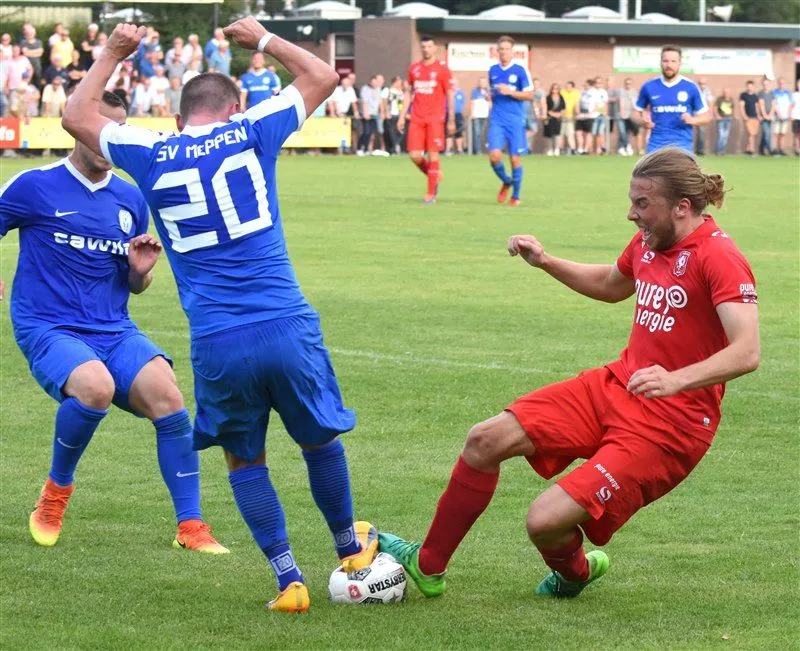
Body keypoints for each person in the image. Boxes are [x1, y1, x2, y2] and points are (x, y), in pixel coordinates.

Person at [63, 18, 377, 614]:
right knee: (317, 442)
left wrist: (113, 52)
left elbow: (77, 117)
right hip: (284, 321)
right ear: (235, 107)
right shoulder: (250, 129)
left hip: (217, 337)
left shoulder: (153, 150)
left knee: (244, 457)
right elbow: (320, 75)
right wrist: (260, 40)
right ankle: (348, 550)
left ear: (180, 119)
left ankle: (289, 580)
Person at [379, 147, 760, 601]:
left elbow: (747, 351)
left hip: (670, 426)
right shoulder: (649, 241)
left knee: (544, 521)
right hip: (618, 386)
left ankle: (575, 572)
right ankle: (427, 566)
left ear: (681, 207)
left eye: (642, 204)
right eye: (632, 201)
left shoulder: (719, 257)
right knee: (486, 439)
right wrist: (546, 261)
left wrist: (675, 380)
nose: (631, 215)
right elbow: (610, 285)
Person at [0, 90, 228, 554]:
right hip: (48, 326)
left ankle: (191, 526)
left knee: (168, 396)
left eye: (117, 132)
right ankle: (54, 495)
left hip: (112, 328)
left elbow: (131, 285)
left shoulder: (128, 198)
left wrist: (138, 272)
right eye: (102, 130)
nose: (109, 141)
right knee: (95, 387)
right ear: (78, 127)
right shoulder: (35, 185)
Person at [398, 34, 455, 204]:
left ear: (434, 48)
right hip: (416, 117)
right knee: (414, 155)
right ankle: (434, 174)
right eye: (423, 47)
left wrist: (451, 118)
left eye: (429, 46)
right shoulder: (414, 68)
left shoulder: (442, 69)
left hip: (435, 119)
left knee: (433, 155)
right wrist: (402, 116)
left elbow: (450, 94)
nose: (426, 49)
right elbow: (408, 92)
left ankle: (430, 194)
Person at [634, 45, 710, 153]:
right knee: (652, 170)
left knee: (681, 170)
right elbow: (635, 113)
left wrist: (692, 120)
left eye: (673, 61)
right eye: (665, 61)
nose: (669, 65)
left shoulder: (690, 87)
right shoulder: (649, 86)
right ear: (660, 62)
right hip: (655, 145)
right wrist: (642, 121)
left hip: (683, 146)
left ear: (680, 63)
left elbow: (706, 116)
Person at [487, 35, 532, 207]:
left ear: (512, 51)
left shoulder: (520, 71)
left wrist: (510, 92)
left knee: (514, 159)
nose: (504, 52)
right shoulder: (493, 70)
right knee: (494, 156)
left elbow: (529, 95)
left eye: (507, 49)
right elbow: (493, 91)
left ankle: (516, 196)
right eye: (501, 49)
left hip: (515, 120)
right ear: (497, 51)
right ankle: (506, 180)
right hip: (497, 119)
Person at [382, 75, 404, 155]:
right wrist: (385, 112)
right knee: (391, 132)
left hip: (398, 114)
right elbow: (384, 102)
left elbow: (402, 103)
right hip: (390, 114)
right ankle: (393, 148)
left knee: (401, 132)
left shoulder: (400, 92)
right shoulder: (387, 90)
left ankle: (396, 145)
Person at [575, 78, 598, 155]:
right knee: (578, 132)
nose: (584, 85)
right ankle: (580, 148)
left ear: (589, 85)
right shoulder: (582, 92)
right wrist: (578, 113)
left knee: (588, 133)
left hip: (589, 116)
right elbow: (577, 102)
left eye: (586, 84)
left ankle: (585, 149)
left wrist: (591, 112)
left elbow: (597, 105)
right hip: (581, 115)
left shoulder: (594, 92)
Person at [617, 77, 638, 156]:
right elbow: (621, 103)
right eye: (626, 83)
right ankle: (627, 146)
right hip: (622, 116)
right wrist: (622, 113)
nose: (628, 85)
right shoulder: (621, 91)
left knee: (627, 132)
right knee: (622, 131)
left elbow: (634, 103)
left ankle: (621, 148)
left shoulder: (633, 92)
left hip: (630, 116)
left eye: (629, 83)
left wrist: (634, 113)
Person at [469, 77, 491, 155]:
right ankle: (478, 150)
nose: (482, 83)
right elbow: (472, 103)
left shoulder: (489, 91)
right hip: (477, 115)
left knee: (486, 133)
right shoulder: (474, 91)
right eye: (481, 82)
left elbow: (491, 103)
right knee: (477, 133)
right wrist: (472, 113)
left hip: (486, 115)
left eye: (483, 82)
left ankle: (488, 150)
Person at [738, 80, 759, 156]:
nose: (749, 87)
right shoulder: (743, 95)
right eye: (748, 86)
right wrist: (744, 116)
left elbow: (757, 107)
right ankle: (752, 150)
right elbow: (741, 106)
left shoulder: (755, 96)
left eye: (751, 86)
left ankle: (748, 150)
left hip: (755, 117)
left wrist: (758, 116)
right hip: (748, 117)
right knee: (750, 133)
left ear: (753, 87)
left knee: (753, 134)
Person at [772, 78, 791, 156]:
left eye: (783, 83)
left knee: (783, 134)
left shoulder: (788, 93)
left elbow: (790, 105)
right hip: (777, 116)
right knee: (776, 133)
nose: (781, 84)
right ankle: (775, 149)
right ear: (777, 83)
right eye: (780, 83)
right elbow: (773, 104)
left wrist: (788, 114)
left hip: (785, 116)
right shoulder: (774, 92)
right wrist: (778, 113)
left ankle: (781, 149)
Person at [544, 83, 565, 156]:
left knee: (557, 134)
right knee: (550, 134)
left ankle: (557, 149)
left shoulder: (561, 97)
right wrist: (552, 114)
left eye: (556, 88)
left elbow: (563, 108)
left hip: (558, 118)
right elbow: (546, 108)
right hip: (550, 118)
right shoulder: (548, 97)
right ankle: (550, 149)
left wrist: (560, 114)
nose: (555, 90)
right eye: (553, 88)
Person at [446, 79, 465, 155]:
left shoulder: (461, 93)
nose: (454, 86)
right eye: (452, 84)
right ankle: (448, 149)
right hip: (449, 114)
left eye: (455, 84)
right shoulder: (447, 93)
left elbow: (462, 103)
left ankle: (459, 150)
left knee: (459, 132)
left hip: (458, 114)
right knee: (448, 132)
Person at [694, 79, 714, 155]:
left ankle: (700, 150)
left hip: (702, 115)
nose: (702, 85)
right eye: (700, 83)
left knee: (701, 133)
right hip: (693, 115)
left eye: (703, 84)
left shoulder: (707, 92)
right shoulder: (694, 90)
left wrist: (710, 114)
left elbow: (711, 103)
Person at [560, 80, 580, 155]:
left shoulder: (576, 93)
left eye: (569, 87)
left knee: (570, 134)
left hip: (570, 117)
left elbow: (576, 104)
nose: (567, 88)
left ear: (573, 87)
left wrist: (577, 113)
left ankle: (573, 149)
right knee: (561, 134)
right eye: (566, 86)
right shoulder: (562, 92)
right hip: (561, 117)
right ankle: (560, 149)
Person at [713, 88, 734, 155]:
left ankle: (722, 151)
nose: (726, 94)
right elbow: (715, 108)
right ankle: (718, 151)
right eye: (725, 92)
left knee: (726, 136)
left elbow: (733, 108)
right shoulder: (720, 99)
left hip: (728, 119)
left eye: (728, 92)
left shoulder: (731, 99)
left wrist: (732, 115)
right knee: (721, 135)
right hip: (721, 119)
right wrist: (717, 116)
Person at [756, 78, 774, 156]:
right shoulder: (760, 93)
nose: (765, 85)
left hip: (770, 117)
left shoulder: (772, 93)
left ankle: (761, 149)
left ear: (769, 85)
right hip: (763, 118)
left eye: (767, 84)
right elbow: (761, 105)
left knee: (766, 133)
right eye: (764, 84)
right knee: (767, 133)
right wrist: (765, 115)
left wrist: (770, 115)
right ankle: (770, 150)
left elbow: (773, 105)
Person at [792, 79, 800, 156]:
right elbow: (791, 106)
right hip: (796, 117)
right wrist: (791, 116)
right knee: (796, 134)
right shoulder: (794, 94)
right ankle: (797, 150)